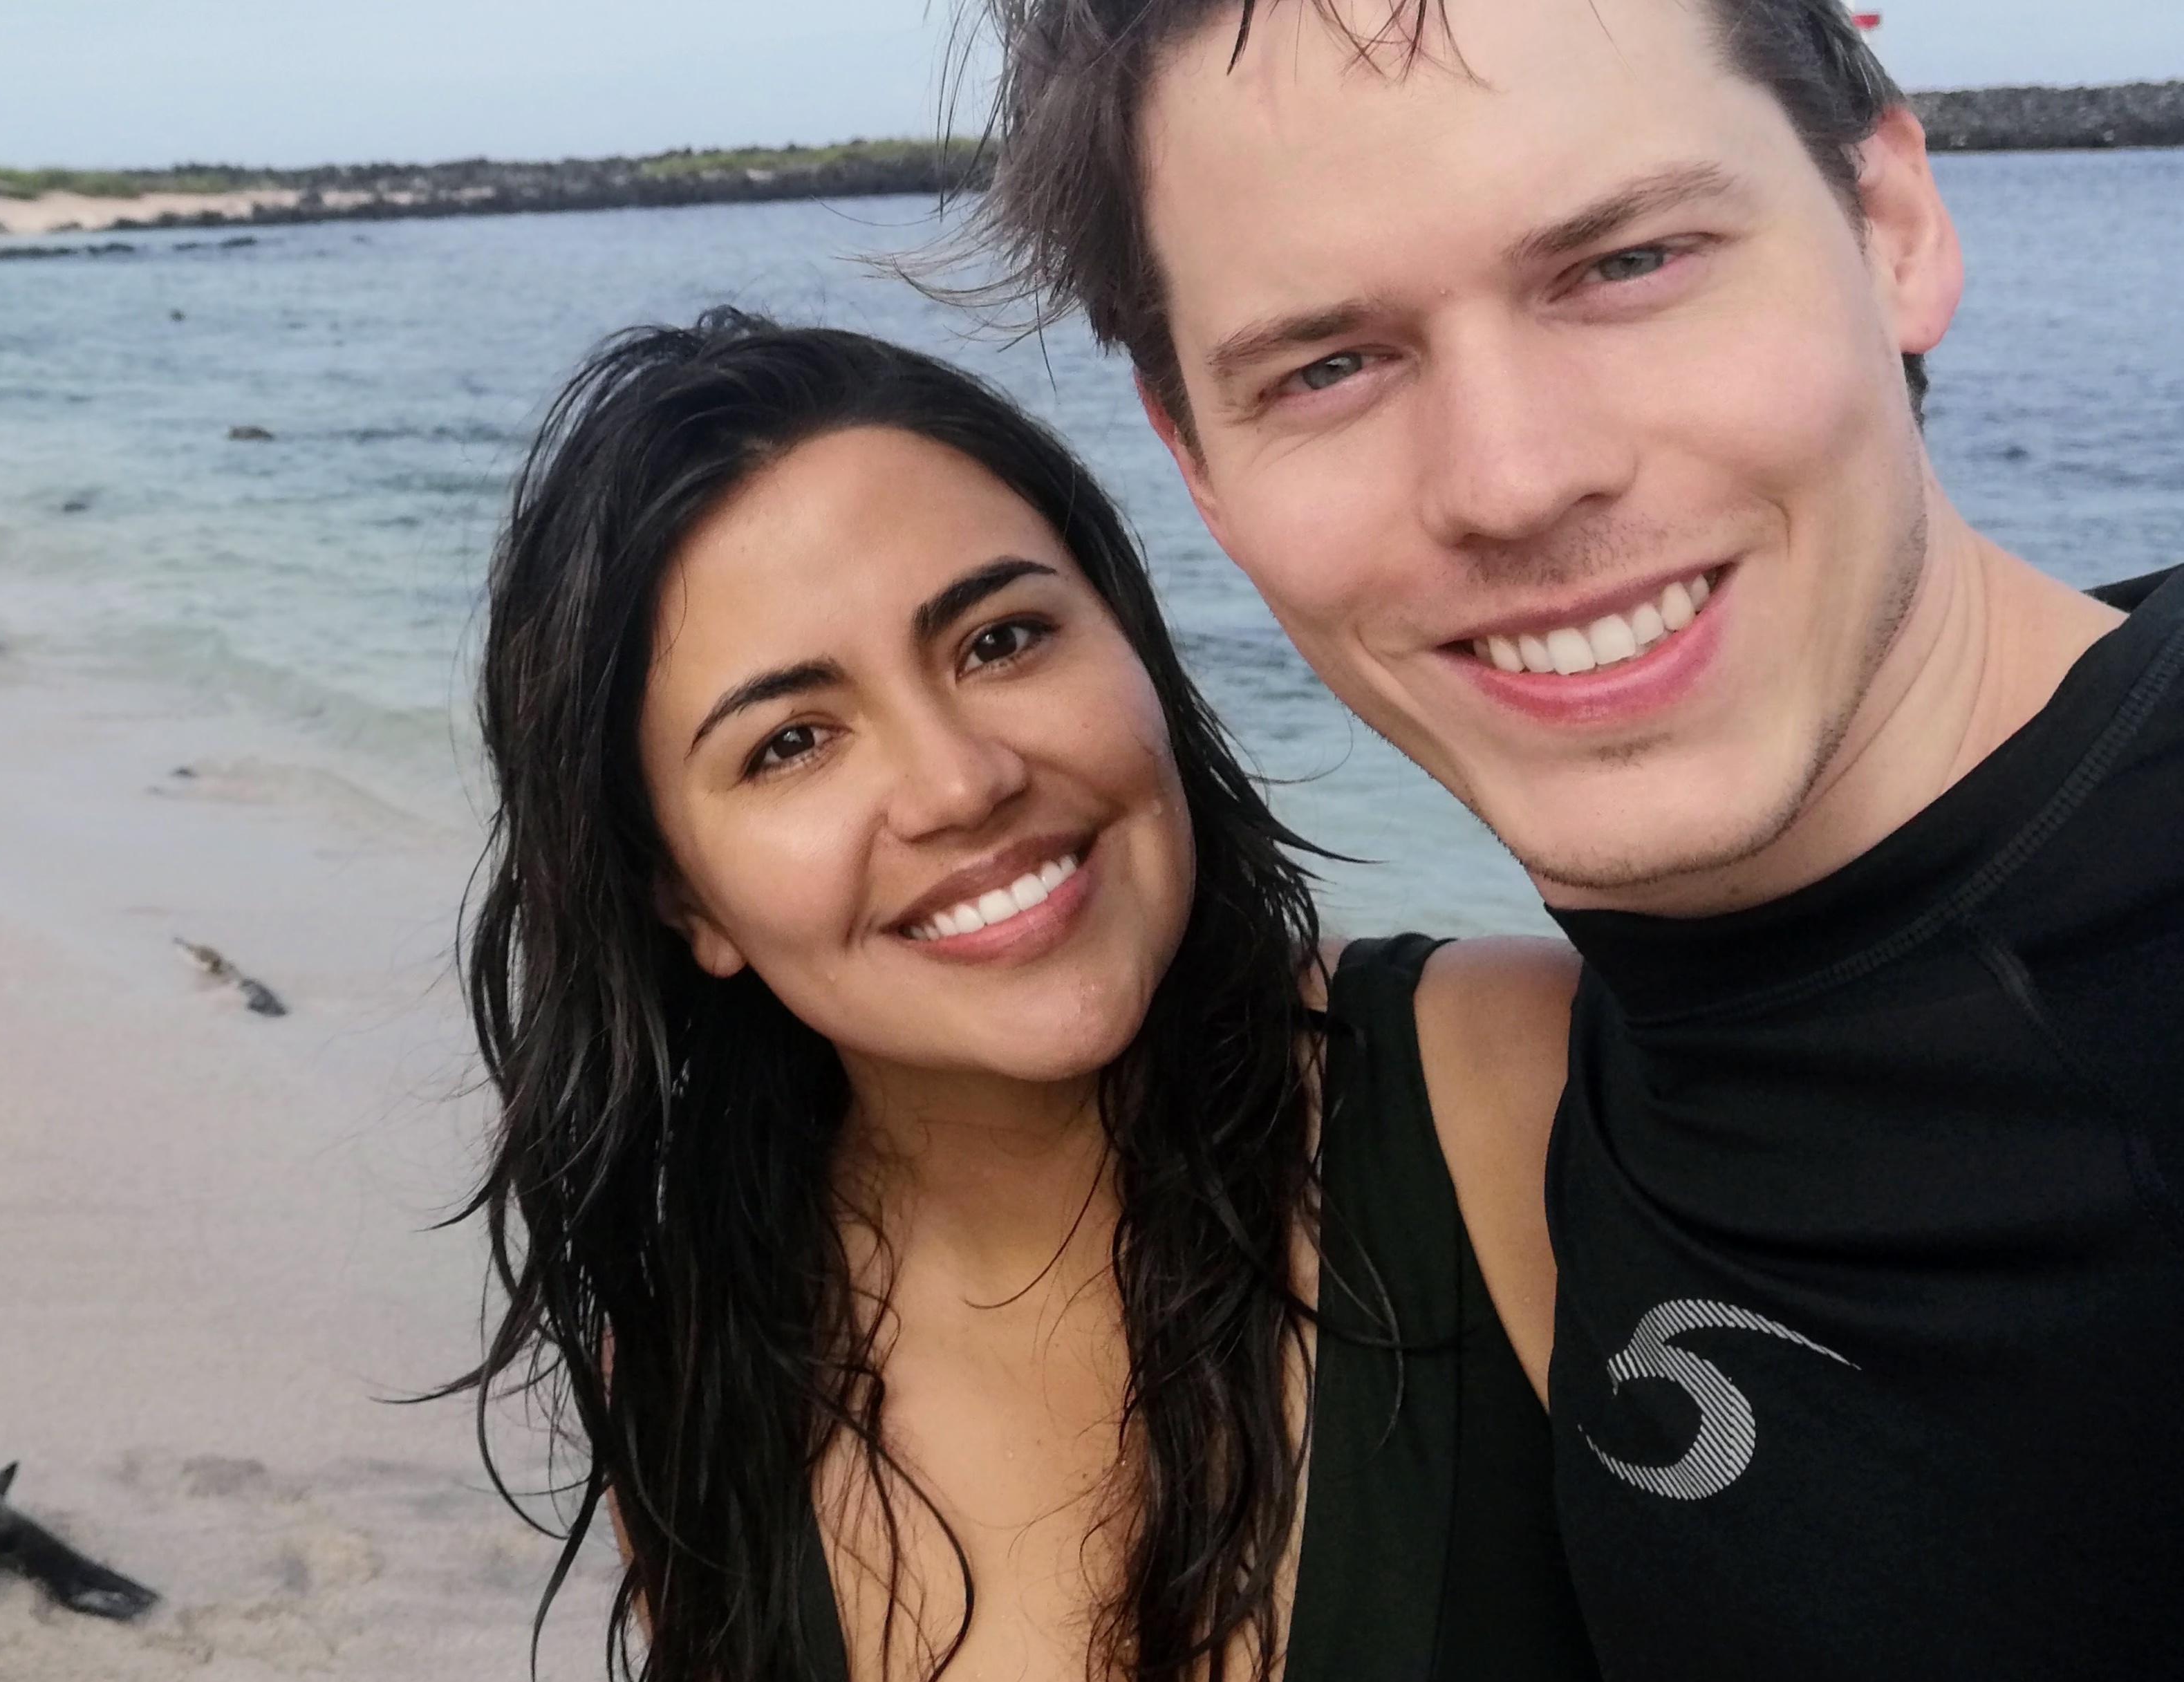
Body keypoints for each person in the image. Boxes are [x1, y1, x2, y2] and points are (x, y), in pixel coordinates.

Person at [947, 0, 2184, 1674]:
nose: (1514, 477)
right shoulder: (1559, 1090)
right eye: (1326, 366)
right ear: (1198, 468)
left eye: (1626, 263)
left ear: (1889, 225)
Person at [448, 310, 1594, 1682]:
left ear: (1132, 640)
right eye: (791, 741)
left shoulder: (1509, 1091)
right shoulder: (702, 1368)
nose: (957, 781)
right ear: (683, 899)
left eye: (997, 640)